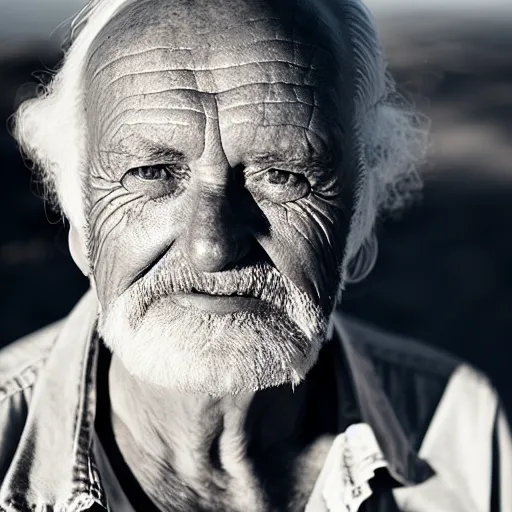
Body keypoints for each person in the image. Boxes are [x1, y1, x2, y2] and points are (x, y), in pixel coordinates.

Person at [0, 0, 510, 510]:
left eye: (283, 177)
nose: (213, 248)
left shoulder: (459, 428)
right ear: (80, 225)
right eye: (152, 172)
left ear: (360, 228)